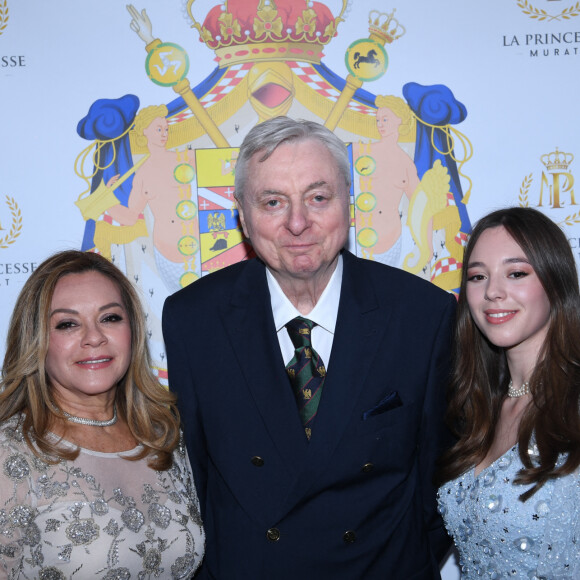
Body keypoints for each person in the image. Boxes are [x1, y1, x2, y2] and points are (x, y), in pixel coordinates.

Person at [163, 116, 457, 579]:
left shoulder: (422, 314)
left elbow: (441, 482)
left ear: (348, 200)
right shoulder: (193, 319)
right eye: (273, 202)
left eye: (318, 198)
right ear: (241, 213)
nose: (297, 222)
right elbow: (194, 479)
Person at [0, 250, 204, 578]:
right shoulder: (10, 453)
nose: (94, 337)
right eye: (67, 324)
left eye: (110, 318)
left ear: (133, 330)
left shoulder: (163, 436)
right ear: (37, 340)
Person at [437, 207, 580, 578]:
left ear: (556, 282)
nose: (492, 292)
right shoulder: (477, 409)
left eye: (516, 273)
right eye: (477, 276)